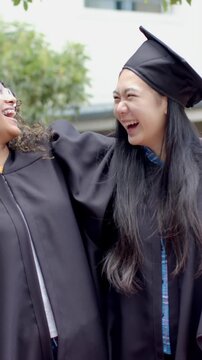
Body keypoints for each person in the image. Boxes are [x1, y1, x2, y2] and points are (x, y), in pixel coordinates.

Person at [51, 26, 202, 360]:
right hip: (129, 347)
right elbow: (54, 147)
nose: (120, 109)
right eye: (116, 98)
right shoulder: (113, 168)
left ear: (164, 101)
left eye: (130, 96)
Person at [0, 80, 113, 360]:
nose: (11, 98)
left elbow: (128, 159)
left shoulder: (49, 155)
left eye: (9, 91)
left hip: (83, 342)